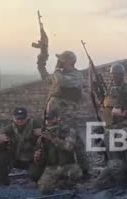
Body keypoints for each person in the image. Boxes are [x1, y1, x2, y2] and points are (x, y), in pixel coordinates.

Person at [37, 49, 90, 178]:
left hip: (69, 116)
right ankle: (62, 169)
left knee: (74, 142)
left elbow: (61, 81)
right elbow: (46, 77)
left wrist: (56, 70)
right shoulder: (59, 74)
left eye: (61, 60)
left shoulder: (76, 75)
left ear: (69, 62)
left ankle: (83, 171)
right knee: (58, 142)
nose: (59, 62)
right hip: (55, 116)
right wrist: (41, 62)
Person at [34, 110, 83, 194]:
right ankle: (58, 183)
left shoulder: (68, 131)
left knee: (75, 178)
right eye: (47, 119)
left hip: (68, 165)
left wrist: (52, 138)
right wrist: (37, 157)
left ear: (58, 119)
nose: (48, 121)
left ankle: (65, 184)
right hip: (52, 167)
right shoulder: (43, 137)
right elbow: (41, 160)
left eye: (51, 119)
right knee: (44, 189)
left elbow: (68, 147)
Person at [0, 107, 43, 185]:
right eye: (17, 118)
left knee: (35, 175)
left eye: (22, 119)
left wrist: (42, 133)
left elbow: (49, 140)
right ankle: (3, 182)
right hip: (15, 158)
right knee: (1, 157)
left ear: (27, 117)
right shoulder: (8, 128)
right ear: (13, 117)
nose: (19, 121)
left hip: (32, 159)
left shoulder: (36, 124)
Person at [93, 107, 127, 190]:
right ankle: (116, 180)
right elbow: (100, 151)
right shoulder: (110, 130)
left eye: (116, 115)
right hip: (113, 163)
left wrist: (107, 132)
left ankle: (124, 183)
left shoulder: (126, 130)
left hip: (124, 162)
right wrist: (99, 137)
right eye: (113, 115)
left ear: (123, 116)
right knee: (97, 185)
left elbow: (117, 146)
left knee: (118, 184)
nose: (114, 118)